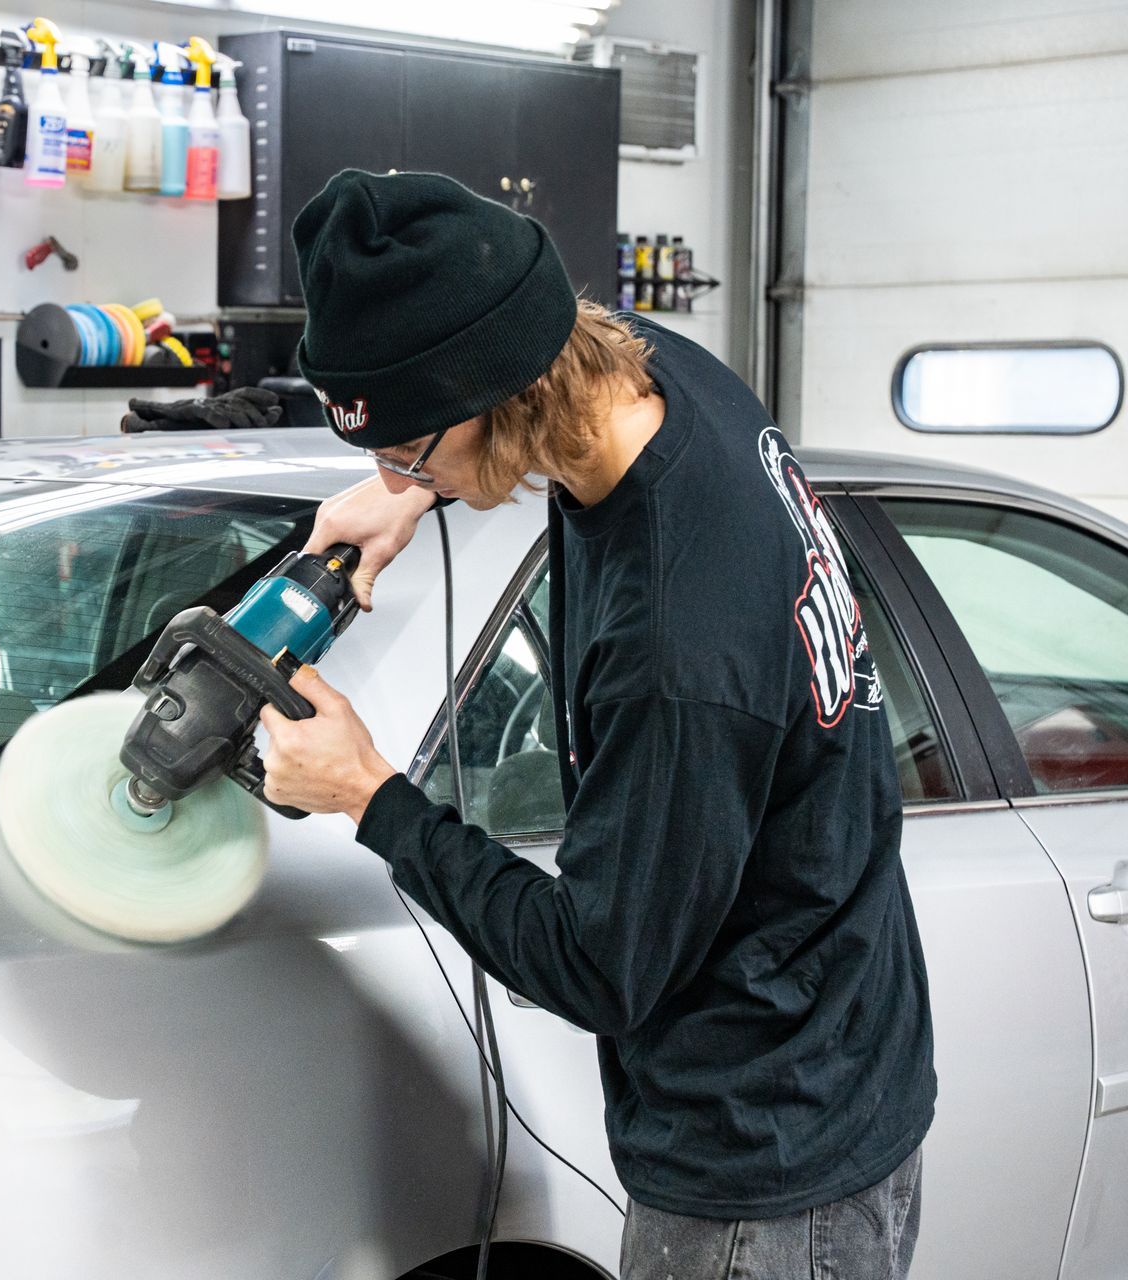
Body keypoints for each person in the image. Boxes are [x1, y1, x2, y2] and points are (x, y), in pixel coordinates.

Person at [256, 169, 935, 1279]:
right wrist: (412, 488)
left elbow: (600, 967)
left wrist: (368, 794)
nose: (389, 476)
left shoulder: (676, 638)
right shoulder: (653, 377)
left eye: (402, 451)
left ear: (488, 395)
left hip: (762, 1175)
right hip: (843, 1052)